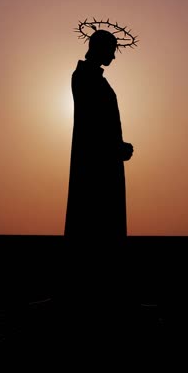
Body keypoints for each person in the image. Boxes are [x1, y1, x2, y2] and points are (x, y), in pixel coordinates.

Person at [64, 28, 134, 239]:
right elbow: (92, 123)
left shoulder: (94, 78)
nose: (113, 56)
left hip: (104, 160)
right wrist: (115, 147)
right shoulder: (85, 77)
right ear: (100, 48)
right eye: (111, 50)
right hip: (95, 162)